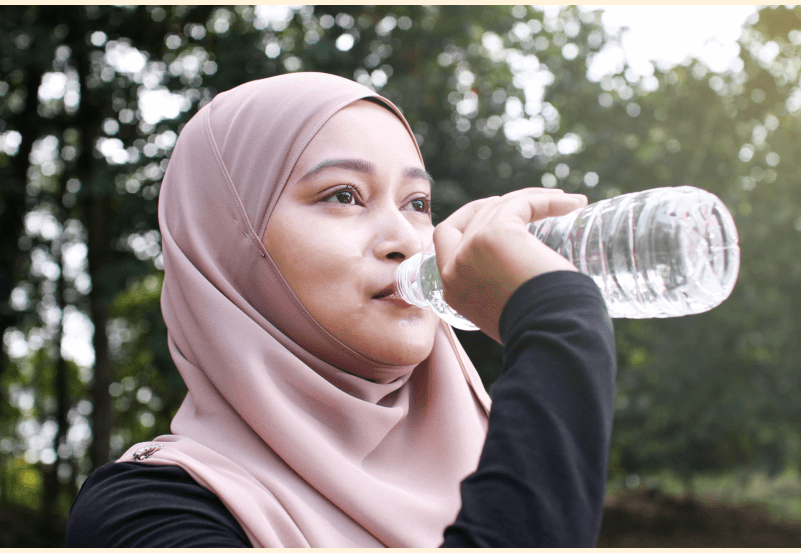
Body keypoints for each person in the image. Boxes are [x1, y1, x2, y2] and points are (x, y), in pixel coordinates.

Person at [65, 72, 616, 547]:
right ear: (228, 241)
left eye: (417, 204)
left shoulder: (498, 449)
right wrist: (557, 326)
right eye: (344, 195)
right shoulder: (145, 517)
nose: (405, 239)